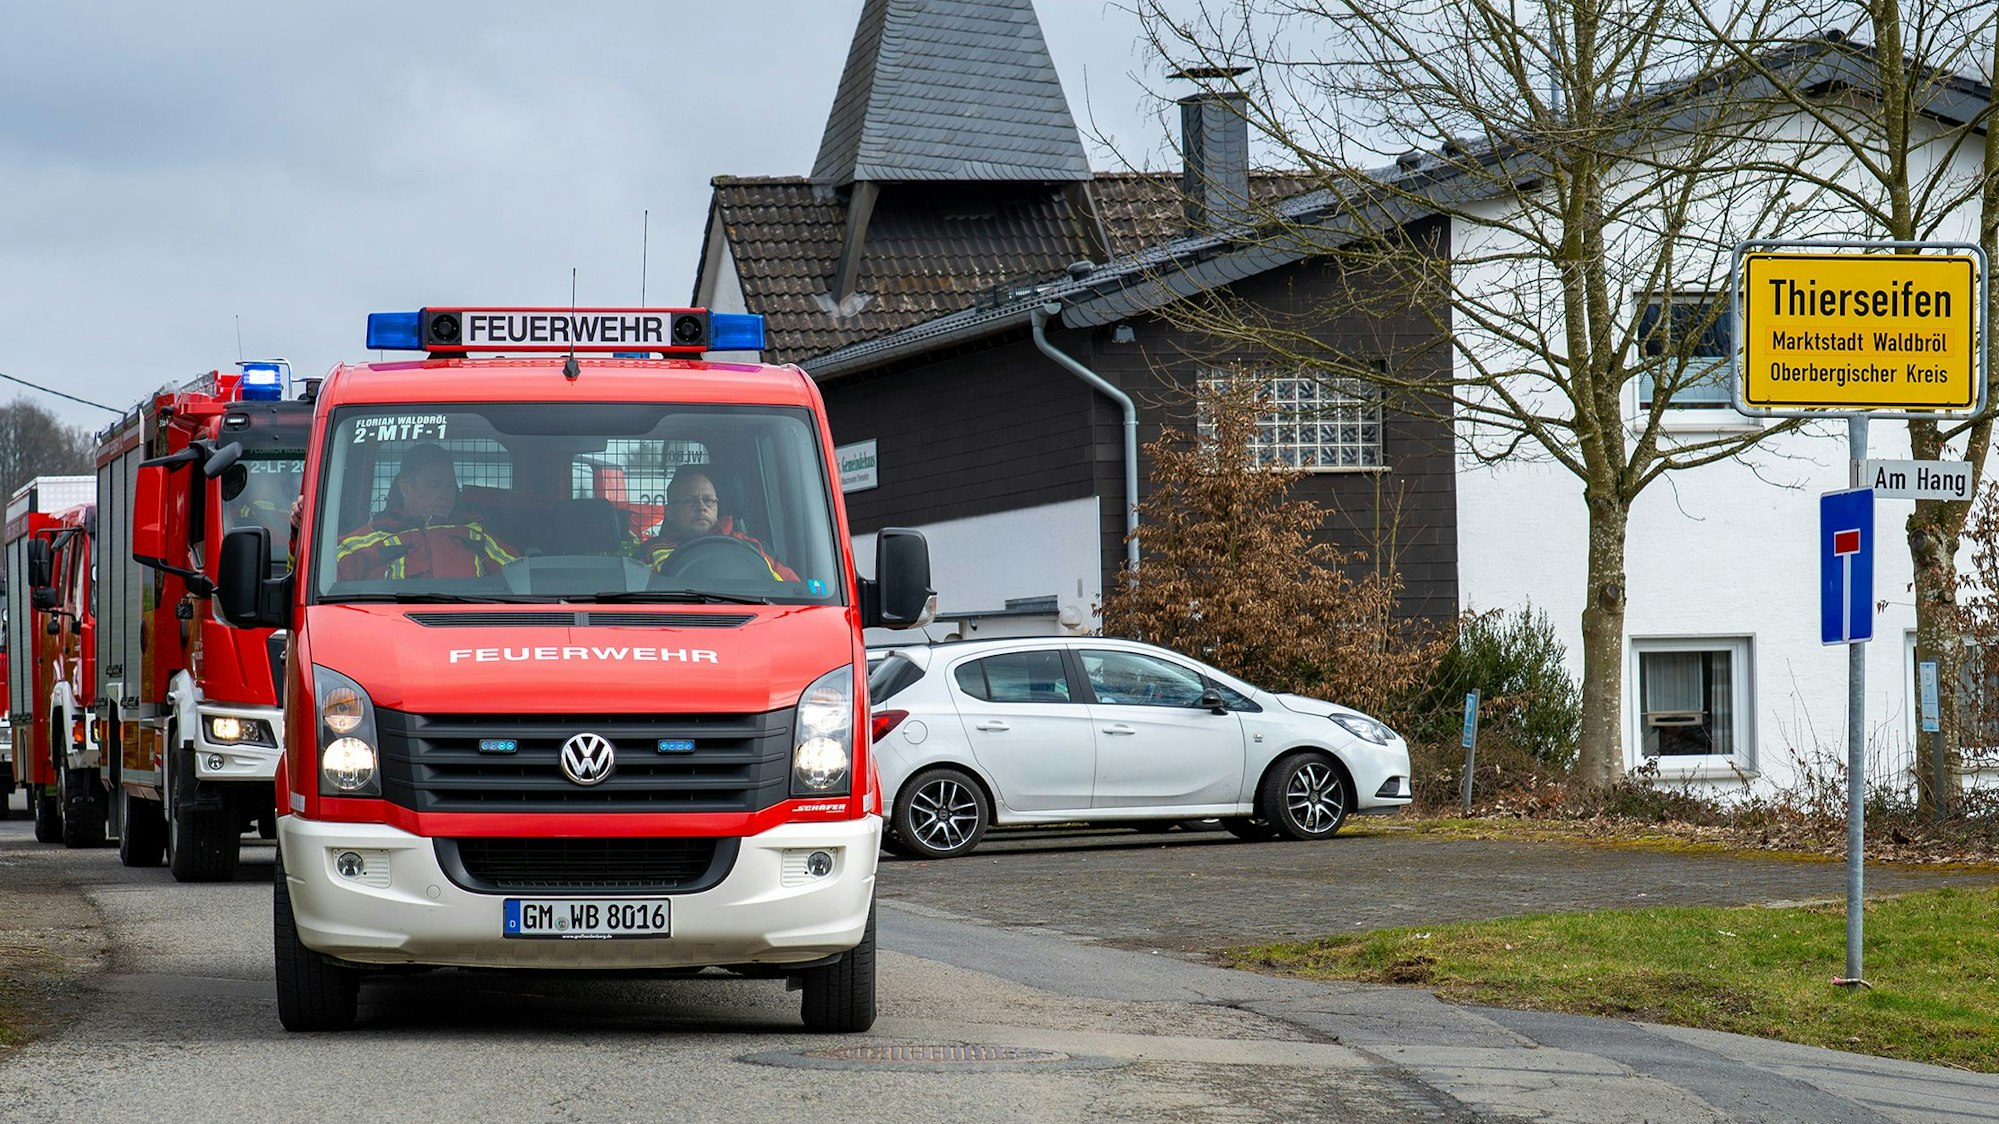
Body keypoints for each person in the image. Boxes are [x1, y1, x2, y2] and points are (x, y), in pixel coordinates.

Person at [334, 443, 518, 581]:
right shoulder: (370, 539)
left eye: (449, 486)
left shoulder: (476, 535)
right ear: (405, 488)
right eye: (434, 485)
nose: (446, 494)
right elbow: (321, 579)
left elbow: (521, 574)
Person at [637, 466, 798, 581]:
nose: (701, 507)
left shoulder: (753, 546)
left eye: (708, 500)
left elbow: (790, 590)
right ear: (669, 512)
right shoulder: (649, 553)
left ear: (717, 508)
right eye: (689, 501)